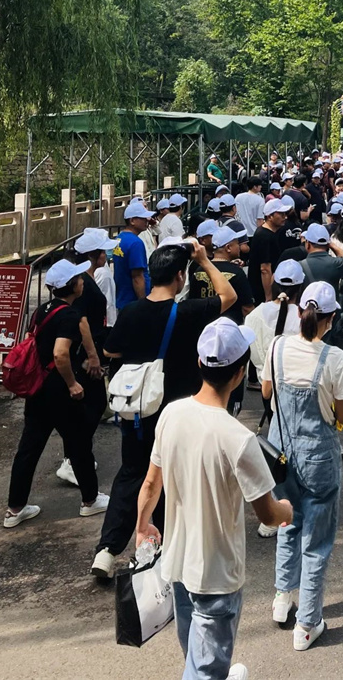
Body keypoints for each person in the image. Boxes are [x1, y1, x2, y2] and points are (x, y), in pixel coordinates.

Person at [136, 317, 292, 680]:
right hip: (217, 574)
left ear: (199, 363)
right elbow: (268, 514)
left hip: (178, 562)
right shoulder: (238, 439)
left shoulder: (171, 414)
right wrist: (286, 510)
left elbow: (150, 484)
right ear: (239, 374)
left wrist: (142, 527)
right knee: (205, 668)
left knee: (194, 648)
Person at [91, 242, 236, 579]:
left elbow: (111, 351)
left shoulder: (130, 312)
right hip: (174, 413)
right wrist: (204, 260)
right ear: (180, 277)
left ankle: (106, 551)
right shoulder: (187, 313)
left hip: (136, 411)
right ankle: (166, 553)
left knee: (131, 474)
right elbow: (227, 295)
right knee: (170, 479)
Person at [262, 281, 343, 651]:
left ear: (301, 311)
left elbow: (266, 392)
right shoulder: (333, 358)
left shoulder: (277, 346)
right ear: (330, 319)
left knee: (287, 520)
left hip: (280, 450)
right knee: (316, 540)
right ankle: (307, 624)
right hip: (318, 454)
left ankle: (282, 598)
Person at [5, 259, 109, 529]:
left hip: (38, 388)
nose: (83, 281)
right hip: (59, 390)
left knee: (29, 448)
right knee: (79, 444)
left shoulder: (42, 310)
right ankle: (90, 500)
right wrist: (73, 384)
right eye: (79, 278)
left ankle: (15, 508)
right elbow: (60, 354)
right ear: (72, 285)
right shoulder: (69, 315)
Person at [55, 228, 117, 487]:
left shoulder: (86, 280)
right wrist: (90, 356)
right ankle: (73, 459)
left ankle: (77, 455)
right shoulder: (83, 285)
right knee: (91, 405)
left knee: (93, 405)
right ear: (94, 255)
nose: (106, 255)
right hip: (84, 354)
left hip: (89, 350)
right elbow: (79, 321)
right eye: (103, 251)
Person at [248, 198, 291, 305]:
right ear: (270, 216)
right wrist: (269, 296)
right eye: (281, 214)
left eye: (285, 214)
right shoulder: (264, 236)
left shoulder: (273, 233)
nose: (285, 217)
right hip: (261, 290)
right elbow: (265, 269)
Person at [113, 200, 155, 310]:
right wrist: (143, 303)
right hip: (133, 301)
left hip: (122, 299)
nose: (147, 220)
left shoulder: (119, 238)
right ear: (132, 221)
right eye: (143, 218)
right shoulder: (136, 243)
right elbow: (137, 276)